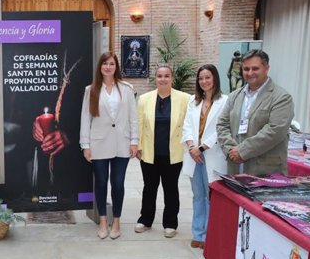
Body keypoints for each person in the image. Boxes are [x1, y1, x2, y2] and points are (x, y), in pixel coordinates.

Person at [80, 53, 138, 239]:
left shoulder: (126, 89)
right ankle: (103, 221)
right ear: (100, 67)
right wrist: (85, 145)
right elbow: (85, 119)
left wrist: (134, 141)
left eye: (111, 64)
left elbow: (133, 118)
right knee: (102, 183)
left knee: (118, 183)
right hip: (99, 144)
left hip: (122, 142)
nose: (108, 67)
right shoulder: (91, 90)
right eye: (105, 63)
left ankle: (117, 222)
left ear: (116, 67)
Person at [217, 49, 294, 176]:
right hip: (235, 168)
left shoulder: (281, 97)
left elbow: (275, 131)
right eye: (246, 69)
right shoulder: (234, 96)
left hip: (265, 172)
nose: (250, 73)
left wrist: (242, 151)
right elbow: (222, 124)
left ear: (267, 68)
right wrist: (230, 149)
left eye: (255, 68)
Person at [135, 65, 190, 238]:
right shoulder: (145, 99)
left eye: (166, 76)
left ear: (172, 78)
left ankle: (170, 223)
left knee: (171, 188)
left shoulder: (185, 99)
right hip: (150, 153)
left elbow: (188, 125)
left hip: (173, 154)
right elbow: (139, 124)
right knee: (149, 188)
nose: (163, 79)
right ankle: (145, 219)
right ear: (155, 78)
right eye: (160, 76)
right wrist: (138, 146)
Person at [181, 64, 228, 249]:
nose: (204, 81)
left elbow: (222, 127)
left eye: (208, 77)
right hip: (194, 156)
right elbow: (186, 126)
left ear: (215, 78)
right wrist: (192, 146)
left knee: (211, 197)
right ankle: (198, 234)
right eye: (201, 78)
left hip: (212, 154)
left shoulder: (225, 101)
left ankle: (210, 235)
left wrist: (202, 147)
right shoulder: (193, 101)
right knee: (198, 196)